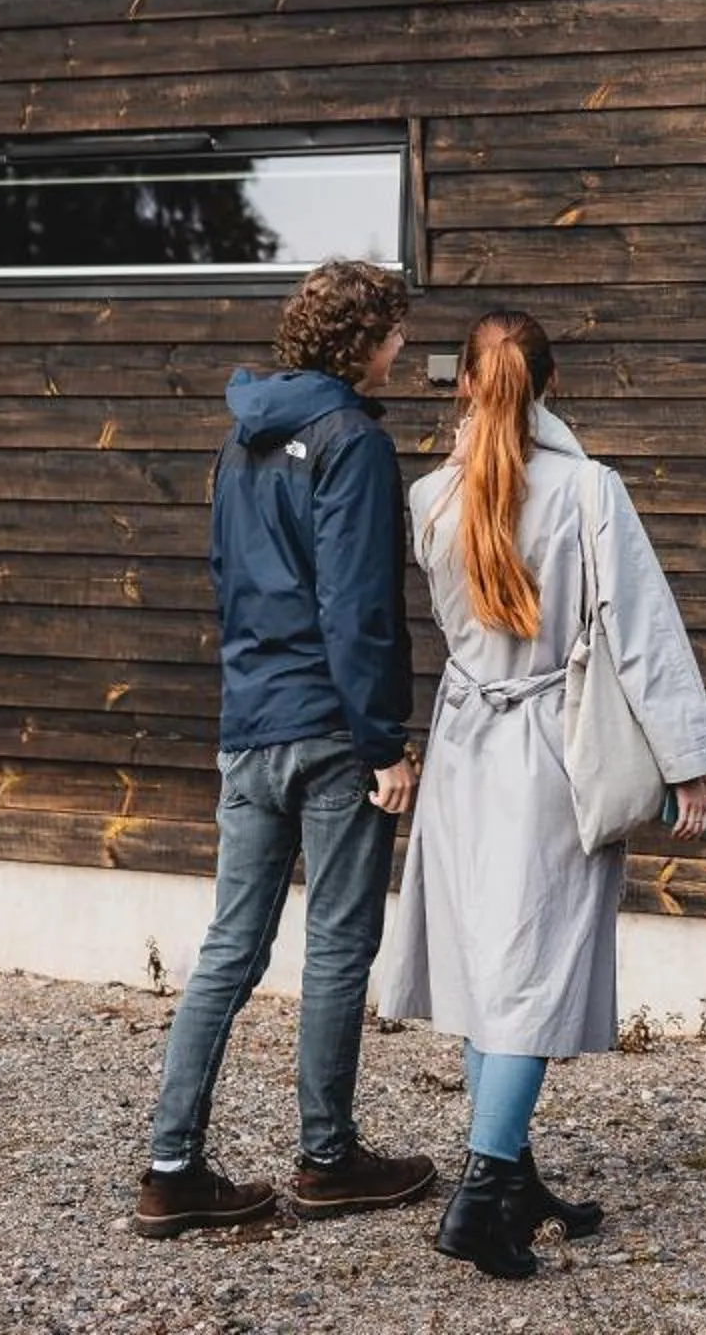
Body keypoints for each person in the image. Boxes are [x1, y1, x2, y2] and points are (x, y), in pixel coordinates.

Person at [381, 308, 706, 1280]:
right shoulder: (588, 489)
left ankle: (514, 1176)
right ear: (552, 386)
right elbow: (642, 631)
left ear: (463, 390)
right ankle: (481, 1198)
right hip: (548, 749)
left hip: (464, 747)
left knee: (497, 967)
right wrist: (683, 761)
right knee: (531, 974)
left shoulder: (430, 497)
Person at [133, 258, 438, 1238]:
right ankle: (327, 1156)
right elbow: (357, 605)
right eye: (392, 330)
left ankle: (171, 1166)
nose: (401, 347)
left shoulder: (239, 441)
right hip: (330, 733)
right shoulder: (352, 440)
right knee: (340, 943)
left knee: (229, 946)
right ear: (359, 341)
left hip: (249, 724)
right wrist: (384, 742)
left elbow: (230, 578)